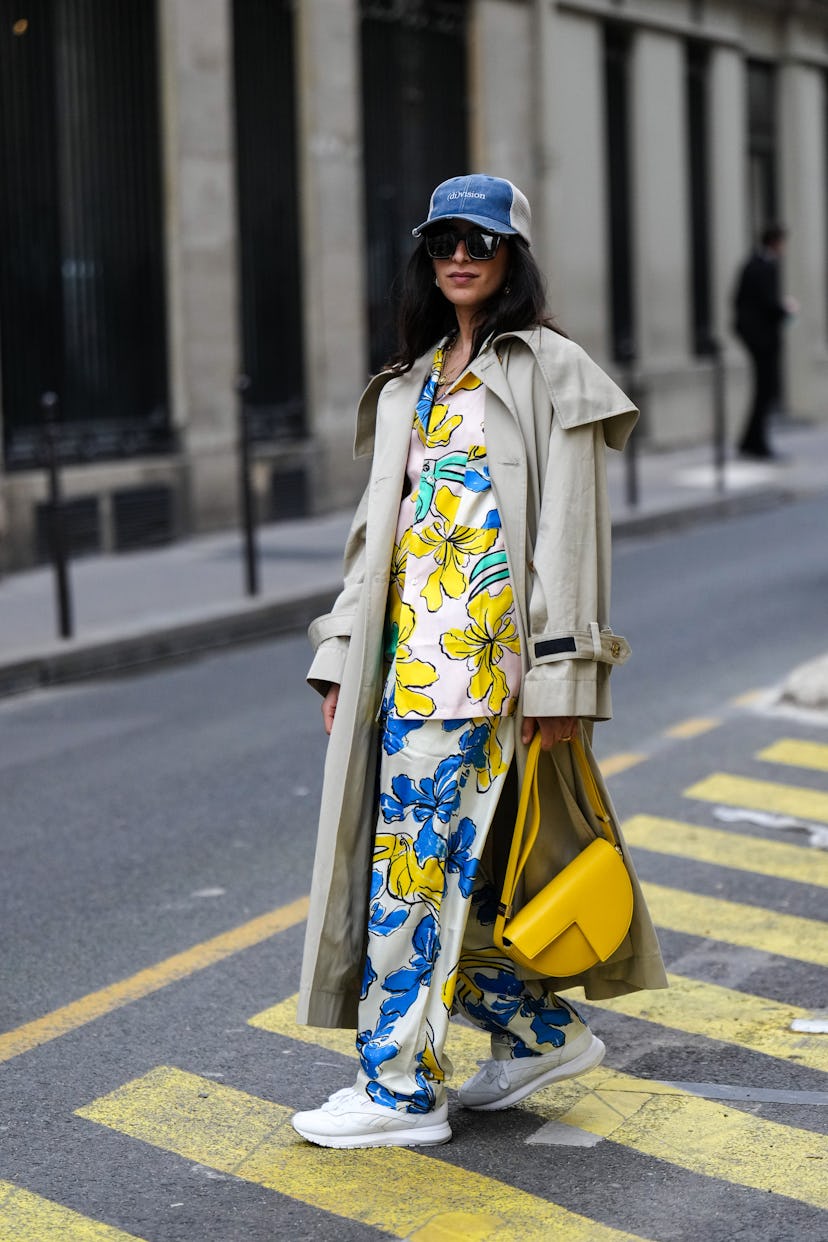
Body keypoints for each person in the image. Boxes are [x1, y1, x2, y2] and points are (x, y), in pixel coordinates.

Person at [292, 174, 667, 1149]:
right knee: (466, 876)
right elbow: (382, 536)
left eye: (481, 242)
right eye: (444, 241)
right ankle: (543, 1034)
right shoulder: (414, 383)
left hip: (482, 681)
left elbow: (571, 542)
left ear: (512, 258)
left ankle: (401, 1091)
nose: (461, 256)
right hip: (405, 675)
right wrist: (341, 655)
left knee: (406, 882)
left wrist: (559, 681)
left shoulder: (550, 371)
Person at [732, 223, 798, 460]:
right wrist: (786, 309)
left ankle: (750, 441)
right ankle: (755, 444)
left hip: (757, 336)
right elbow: (766, 303)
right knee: (765, 390)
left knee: (763, 391)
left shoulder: (756, 263)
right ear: (776, 242)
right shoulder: (763, 266)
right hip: (761, 339)